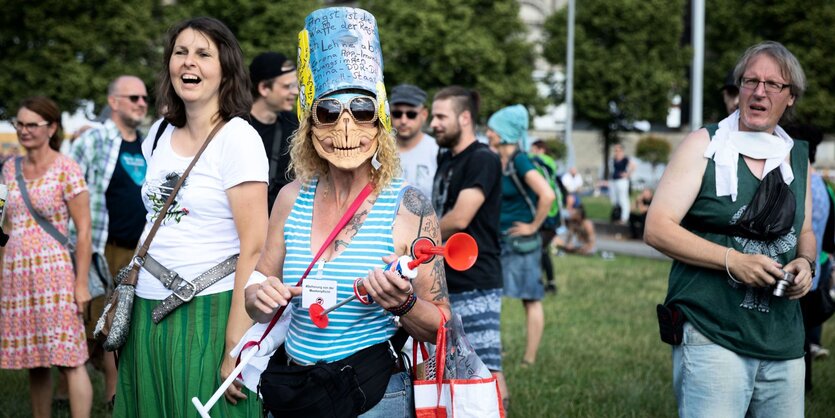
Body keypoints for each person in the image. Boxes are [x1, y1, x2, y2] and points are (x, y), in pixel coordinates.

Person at [244, 7, 450, 417]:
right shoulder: (289, 198)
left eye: (361, 111)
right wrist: (258, 296)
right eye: (328, 112)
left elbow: (441, 325)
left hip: (371, 395)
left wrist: (403, 304)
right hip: (295, 392)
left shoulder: (409, 208)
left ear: (379, 124)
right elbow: (256, 296)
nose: (344, 129)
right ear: (309, 125)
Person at [645, 41, 814, 417]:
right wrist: (731, 261)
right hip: (713, 331)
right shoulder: (703, 145)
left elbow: (805, 232)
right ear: (738, 89)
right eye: (750, 81)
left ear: (790, 98)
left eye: (773, 84)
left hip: (783, 339)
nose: (759, 91)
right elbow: (656, 228)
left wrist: (806, 263)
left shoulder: (797, 157)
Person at [112, 17, 268, 417]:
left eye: (202, 54)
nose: (188, 63)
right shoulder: (160, 133)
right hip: (146, 307)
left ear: (225, 68)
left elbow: (255, 246)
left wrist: (237, 342)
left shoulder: (239, 138)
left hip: (209, 311)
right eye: (180, 53)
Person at [0, 96, 93, 417]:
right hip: (16, 275)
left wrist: (81, 284)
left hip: (55, 276)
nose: (23, 131)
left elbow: (83, 230)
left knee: (70, 358)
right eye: (19, 124)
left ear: (52, 127)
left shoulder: (67, 168)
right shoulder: (7, 170)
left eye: (31, 125)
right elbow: (3, 223)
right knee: (33, 360)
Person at [69, 75, 149, 405]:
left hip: (141, 249)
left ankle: (114, 396)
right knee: (95, 322)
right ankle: (74, 387)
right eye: (134, 98)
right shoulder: (93, 141)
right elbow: (69, 188)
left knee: (124, 324)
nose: (142, 103)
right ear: (113, 102)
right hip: (104, 247)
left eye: (145, 98)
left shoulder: (149, 143)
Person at [430, 86, 508, 407]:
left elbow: (460, 217)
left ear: (464, 118)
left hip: (477, 281)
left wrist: (416, 237)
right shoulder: (447, 158)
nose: (433, 123)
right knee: (454, 372)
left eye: (440, 116)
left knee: (487, 371)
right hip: (446, 281)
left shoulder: (482, 159)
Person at [486, 104, 555, 372]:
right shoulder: (498, 160)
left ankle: (529, 359)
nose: (488, 133)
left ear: (504, 133)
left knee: (530, 299)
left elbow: (547, 195)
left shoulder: (520, 160)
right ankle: (497, 349)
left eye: (492, 129)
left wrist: (532, 226)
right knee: (494, 296)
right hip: (499, 239)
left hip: (521, 243)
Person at [248, 51, 300, 212]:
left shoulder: (294, 125)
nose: (295, 92)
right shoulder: (234, 127)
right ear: (264, 88)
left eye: (295, 85)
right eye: (287, 86)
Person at [392, 84, 438, 199]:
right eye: (397, 114)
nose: (403, 121)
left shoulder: (436, 151)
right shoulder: (376, 149)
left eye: (411, 114)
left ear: (424, 114)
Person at [528, 139, 562, 293]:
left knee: (539, 249)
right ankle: (548, 283)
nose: (531, 152)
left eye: (533, 149)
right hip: (550, 214)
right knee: (542, 250)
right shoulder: (547, 164)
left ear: (541, 150)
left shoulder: (542, 162)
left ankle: (543, 283)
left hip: (549, 215)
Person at [609, 144, 635, 224]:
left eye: (617, 150)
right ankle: (617, 215)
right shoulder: (614, 159)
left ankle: (624, 217)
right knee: (615, 200)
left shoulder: (625, 159)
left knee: (623, 199)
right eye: (615, 150)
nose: (616, 152)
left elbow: (633, 166)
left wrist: (627, 174)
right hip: (614, 181)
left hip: (622, 181)